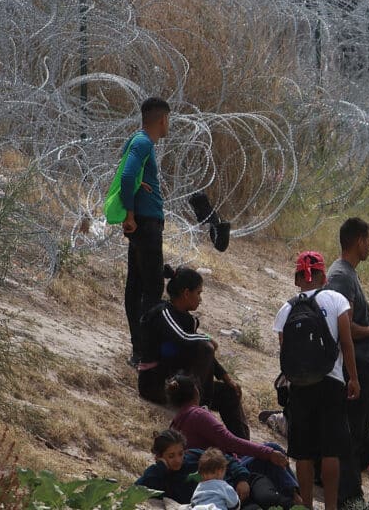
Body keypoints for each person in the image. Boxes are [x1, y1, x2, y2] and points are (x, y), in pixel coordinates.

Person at [274, 251, 359, 510]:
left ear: (297, 278)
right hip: (331, 380)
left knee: (302, 452)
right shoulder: (337, 299)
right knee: (330, 450)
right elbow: (347, 343)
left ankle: (307, 506)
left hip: (300, 385)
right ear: (323, 276)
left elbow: (285, 351)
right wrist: (353, 378)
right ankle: (331, 507)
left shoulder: (287, 308)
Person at [325, 218, 369, 506]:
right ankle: (349, 496)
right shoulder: (342, 275)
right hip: (356, 366)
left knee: (360, 431)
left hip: (363, 363)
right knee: (352, 434)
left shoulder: (348, 273)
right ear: (356, 241)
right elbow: (345, 327)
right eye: (367, 240)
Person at [138, 264, 249, 439]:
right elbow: (183, 338)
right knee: (205, 347)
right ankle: (198, 410)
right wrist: (206, 338)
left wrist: (227, 378)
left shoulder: (188, 320)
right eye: (199, 293)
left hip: (181, 383)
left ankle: (243, 450)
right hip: (155, 383)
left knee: (229, 394)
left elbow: (200, 349)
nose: (200, 299)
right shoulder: (163, 313)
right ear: (186, 293)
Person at [167, 374, 301, 507]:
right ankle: (297, 501)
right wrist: (268, 452)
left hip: (208, 476)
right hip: (223, 474)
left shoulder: (176, 423)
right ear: (195, 391)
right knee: (273, 450)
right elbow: (230, 442)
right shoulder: (198, 415)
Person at [121, 96, 171, 366]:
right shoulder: (142, 142)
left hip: (143, 223)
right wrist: (130, 213)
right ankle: (145, 353)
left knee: (137, 287)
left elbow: (129, 177)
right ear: (163, 119)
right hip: (147, 225)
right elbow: (127, 176)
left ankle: (139, 351)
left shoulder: (138, 142)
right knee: (150, 290)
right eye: (168, 120)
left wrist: (138, 187)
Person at [136, 429, 195, 504]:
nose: (178, 460)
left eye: (180, 454)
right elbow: (136, 490)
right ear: (159, 456)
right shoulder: (156, 474)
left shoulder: (193, 460)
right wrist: (160, 468)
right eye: (171, 456)